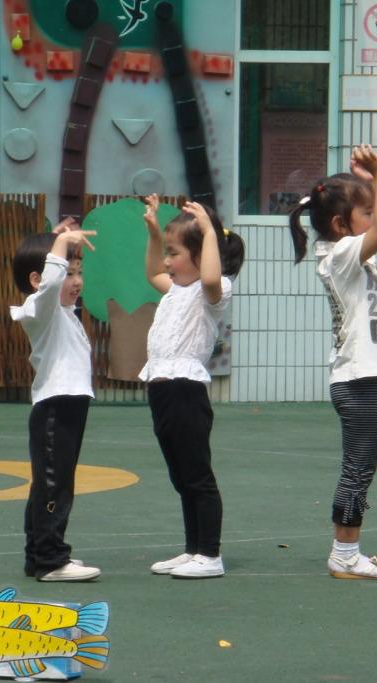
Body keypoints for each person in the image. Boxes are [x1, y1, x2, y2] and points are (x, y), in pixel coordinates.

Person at [287, 145, 377, 580]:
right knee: (358, 468)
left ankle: (346, 551)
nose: (373, 217)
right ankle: (345, 553)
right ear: (339, 224)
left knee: (361, 467)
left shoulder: (349, 253)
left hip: (364, 376)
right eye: (363, 212)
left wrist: (367, 185)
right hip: (358, 379)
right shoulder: (341, 255)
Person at [140, 195, 245, 579]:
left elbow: (212, 277)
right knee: (181, 476)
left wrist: (209, 232)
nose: (167, 261)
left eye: (175, 253)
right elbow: (152, 272)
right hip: (162, 390)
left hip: (186, 391)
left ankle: (210, 554)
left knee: (197, 476)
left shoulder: (212, 291)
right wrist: (154, 234)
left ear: (201, 255)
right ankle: (192, 549)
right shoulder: (175, 289)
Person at [9, 219, 101, 582]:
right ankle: (50, 560)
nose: (77, 281)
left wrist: (58, 239)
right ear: (38, 279)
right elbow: (50, 284)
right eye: (68, 273)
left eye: (79, 272)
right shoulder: (40, 308)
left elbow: (52, 280)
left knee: (51, 482)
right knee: (53, 484)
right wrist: (59, 245)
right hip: (56, 406)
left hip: (69, 404)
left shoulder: (59, 311)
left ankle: (39, 554)